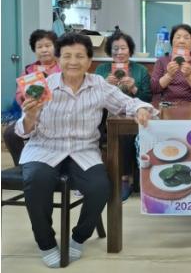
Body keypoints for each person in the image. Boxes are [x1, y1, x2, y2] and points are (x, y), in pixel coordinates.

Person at [15, 33, 155, 268]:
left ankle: (79, 237)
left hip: (83, 150)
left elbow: (128, 103)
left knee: (100, 187)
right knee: (37, 179)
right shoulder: (43, 85)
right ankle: (45, 242)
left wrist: (141, 109)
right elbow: (22, 131)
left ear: (90, 61)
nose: (73, 62)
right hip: (44, 147)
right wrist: (30, 115)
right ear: (58, 59)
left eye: (80, 56)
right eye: (67, 56)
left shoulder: (98, 84)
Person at [95, 30, 151, 200]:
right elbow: (93, 97)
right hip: (105, 114)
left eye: (123, 48)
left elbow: (148, 98)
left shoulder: (140, 70)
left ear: (130, 50)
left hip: (132, 114)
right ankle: (93, 178)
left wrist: (134, 88)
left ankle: (125, 179)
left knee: (125, 133)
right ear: (109, 51)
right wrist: (104, 85)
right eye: (115, 49)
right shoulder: (102, 69)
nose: (119, 52)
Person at [4, 30, 61, 166]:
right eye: (39, 47)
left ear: (55, 47)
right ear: (34, 50)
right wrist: (26, 97)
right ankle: (22, 166)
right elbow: (19, 95)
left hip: (57, 115)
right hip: (33, 115)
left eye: (48, 45)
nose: (44, 50)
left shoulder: (63, 67)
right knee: (10, 134)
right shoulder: (28, 70)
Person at [151, 24, 191, 102]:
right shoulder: (162, 61)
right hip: (167, 105)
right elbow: (153, 88)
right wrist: (169, 75)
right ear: (172, 42)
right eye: (178, 37)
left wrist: (189, 76)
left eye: (186, 38)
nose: (181, 41)